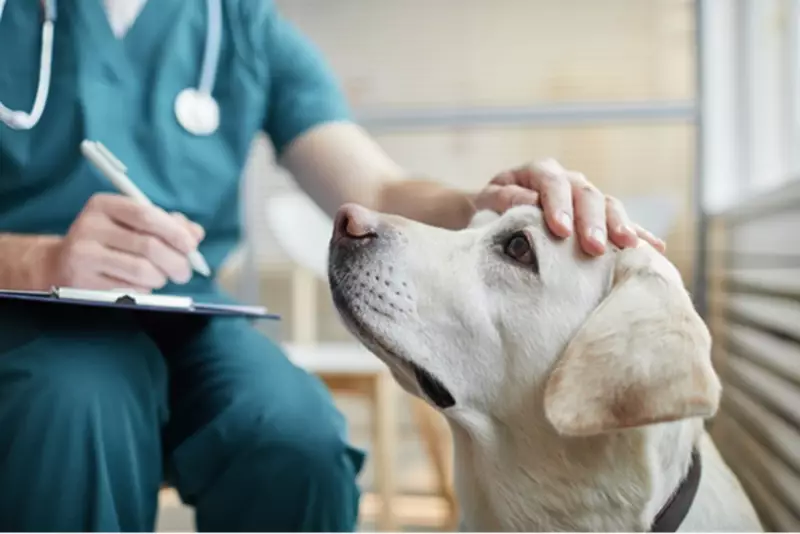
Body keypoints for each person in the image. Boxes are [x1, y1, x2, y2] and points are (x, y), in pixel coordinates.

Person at [0, 0, 665, 531]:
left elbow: (375, 190)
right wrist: (40, 259)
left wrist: (477, 202)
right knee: (74, 404)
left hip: (188, 313)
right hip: (25, 317)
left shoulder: (240, 25)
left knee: (299, 437)